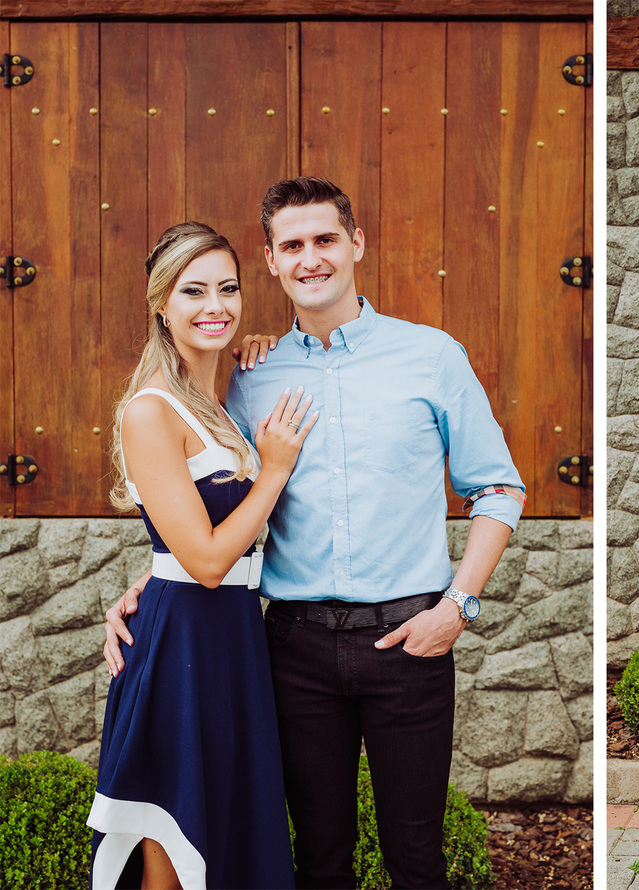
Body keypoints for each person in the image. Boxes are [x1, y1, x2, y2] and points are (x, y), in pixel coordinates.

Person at [105, 177, 524, 889]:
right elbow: (205, 507)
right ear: (271, 260)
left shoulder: (432, 356)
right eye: (291, 245)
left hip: (409, 641)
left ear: (356, 243)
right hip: (289, 649)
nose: (311, 259)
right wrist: (153, 579)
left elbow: (499, 488)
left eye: (325, 239)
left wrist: (458, 608)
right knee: (315, 859)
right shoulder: (246, 376)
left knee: (416, 860)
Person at [90, 222, 316, 888]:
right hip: (181, 646)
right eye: (194, 291)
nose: (215, 305)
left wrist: (269, 355)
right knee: (176, 842)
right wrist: (274, 469)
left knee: (229, 835)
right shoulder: (149, 411)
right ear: (162, 304)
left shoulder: (218, 406)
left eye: (228, 288)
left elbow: (190, 532)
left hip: (232, 636)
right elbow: (209, 560)